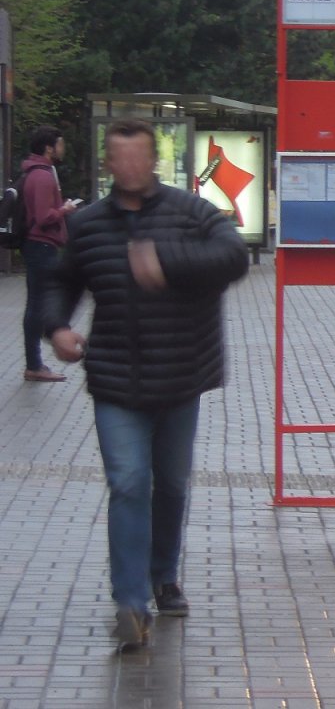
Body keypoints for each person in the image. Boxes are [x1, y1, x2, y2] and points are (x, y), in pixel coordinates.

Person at [43, 118, 249, 651]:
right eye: (119, 157)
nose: (130, 166)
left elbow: (233, 258)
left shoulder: (192, 213)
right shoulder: (89, 225)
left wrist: (166, 261)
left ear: (153, 160)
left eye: (139, 157)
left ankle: (163, 574)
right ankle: (130, 603)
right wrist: (58, 326)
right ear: (109, 163)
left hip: (181, 376)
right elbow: (62, 281)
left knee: (173, 486)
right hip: (116, 378)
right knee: (130, 483)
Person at [20, 125, 80, 382]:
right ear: (48, 148)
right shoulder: (43, 177)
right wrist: (65, 210)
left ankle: (34, 362)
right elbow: (44, 217)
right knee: (38, 304)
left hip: (36, 245)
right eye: (60, 143)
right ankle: (35, 364)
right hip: (41, 245)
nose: (62, 148)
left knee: (36, 302)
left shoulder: (35, 173)